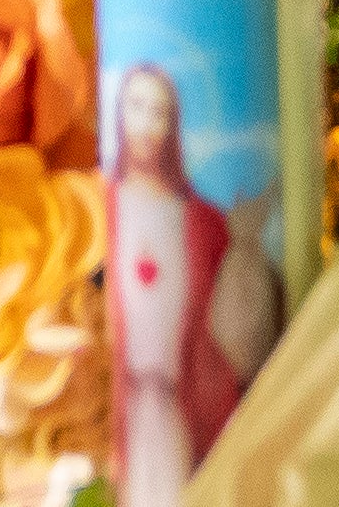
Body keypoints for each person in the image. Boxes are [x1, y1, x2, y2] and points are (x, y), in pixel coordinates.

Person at [101, 53, 280, 507]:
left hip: (178, 415)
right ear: (118, 113)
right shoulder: (96, 207)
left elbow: (227, 331)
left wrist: (246, 248)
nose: (144, 123)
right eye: (135, 106)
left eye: (158, 111)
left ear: (173, 124)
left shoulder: (201, 222)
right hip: (116, 411)